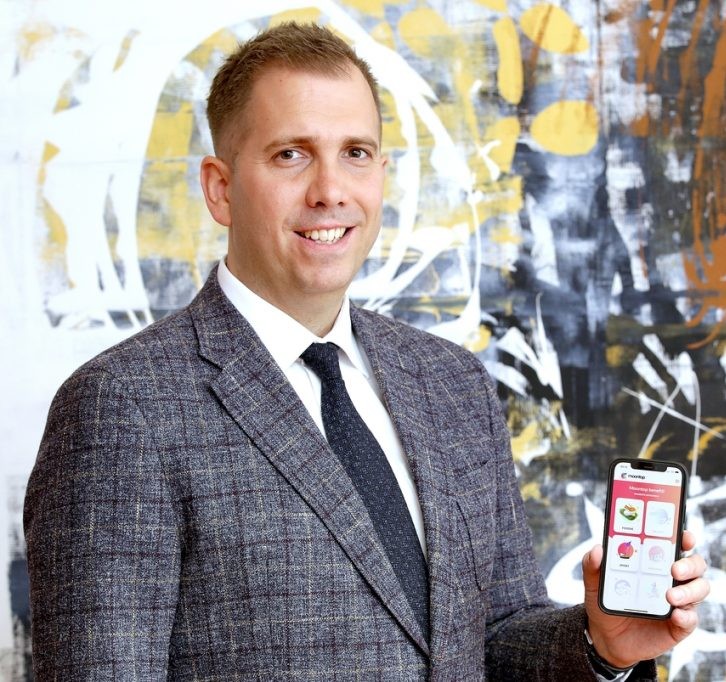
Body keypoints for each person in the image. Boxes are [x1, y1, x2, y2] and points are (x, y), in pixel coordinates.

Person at [24, 22, 708, 680]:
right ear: (220, 188)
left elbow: (492, 642)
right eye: (290, 154)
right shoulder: (121, 408)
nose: (330, 191)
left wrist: (598, 646)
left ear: (381, 172)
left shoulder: (452, 383)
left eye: (354, 153)